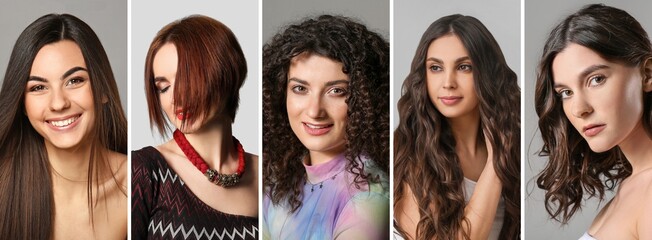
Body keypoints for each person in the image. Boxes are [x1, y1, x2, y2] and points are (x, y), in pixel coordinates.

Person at [393, 14, 521, 240]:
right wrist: (495, 162)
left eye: (464, 67)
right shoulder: (405, 150)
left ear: (486, 74)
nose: (448, 82)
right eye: (435, 68)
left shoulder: (515, 142)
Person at [0, 14, 127, 239]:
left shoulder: (140, 183)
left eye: (74, 81)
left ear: (103, 90)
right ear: (22, 104)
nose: (59, 103)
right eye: (38, 87)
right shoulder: (4, 186)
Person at [262, 15, 390, 239]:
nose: (314, 111)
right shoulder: (277, 183)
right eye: (300, 89)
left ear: (365, 100)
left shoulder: (369, 197)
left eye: (337, 91)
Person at [131, 15, 258, 240]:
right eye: (164, 87)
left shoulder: (268, 175)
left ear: (225, 72)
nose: (175, 98)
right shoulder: (144, 171)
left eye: (187, 79)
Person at [535, 4, 652, 239]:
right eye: (566, 93)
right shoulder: (634, 185)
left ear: (647, 74)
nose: (579, 109)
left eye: (596, 79)